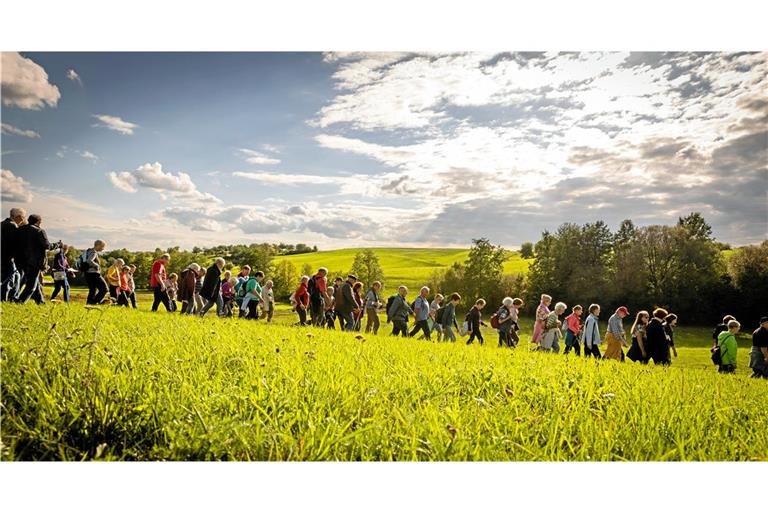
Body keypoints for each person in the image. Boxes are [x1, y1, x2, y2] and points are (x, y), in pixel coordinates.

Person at [16, 214, 57, 305]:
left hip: (21, 260)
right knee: (31, 286)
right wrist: (56, 245)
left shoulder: (20, 230)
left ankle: (41, 302)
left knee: (34, 282)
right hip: (34, 261)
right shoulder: (39, 231)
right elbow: (47, 246)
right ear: (38, 221)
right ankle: (20, 301)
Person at [1, 207, 26, 301]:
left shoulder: (2, 223)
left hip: (3, 255)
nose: (24, 219)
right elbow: (15, 244)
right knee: (12, 276)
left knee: (10, 276)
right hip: (8, 257)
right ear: (19, 216)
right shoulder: (12, 226)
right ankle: (8, 298)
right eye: (23, 217)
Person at [82, 240, 108, 305]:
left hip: (87, 273)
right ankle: (93, 303)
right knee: (105, 289)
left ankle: (88, 304)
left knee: (92, 290)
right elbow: (89, 261)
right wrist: (97, 265)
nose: (103, 249)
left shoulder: (88, 251)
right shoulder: (93, 252)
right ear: (98, 245)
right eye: (102, 247)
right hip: (93, 274)